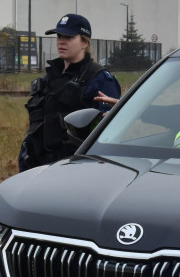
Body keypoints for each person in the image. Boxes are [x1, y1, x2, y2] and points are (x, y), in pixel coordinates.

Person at [18, 13, 121, 171]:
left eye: (68, 37)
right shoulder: (49, 78)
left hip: (76, 171)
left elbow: (110, 135)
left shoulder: (99, 80)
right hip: (38, 169)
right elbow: (36, 129)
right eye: (59, 36)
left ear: (84, 42)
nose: (61, 42)